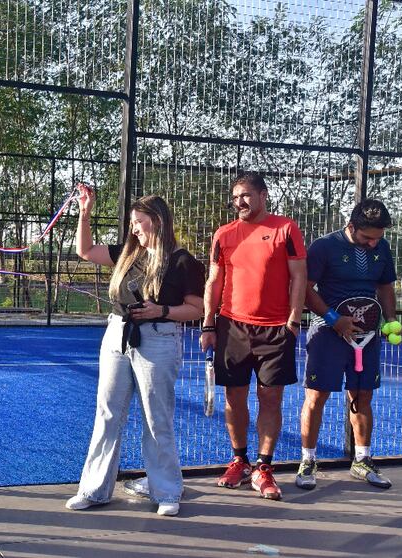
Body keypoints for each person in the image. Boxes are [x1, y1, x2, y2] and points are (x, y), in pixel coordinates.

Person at [64, 184, 204, 517]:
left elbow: (197, 309)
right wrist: (85, 211)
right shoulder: (128, 253)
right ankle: (94, 490)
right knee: (108, 414)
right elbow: (85, 251)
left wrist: (162, 312)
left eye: (138, 221)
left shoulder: (183, 262)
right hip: (117, 335)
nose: (134, 228)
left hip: (159, 338)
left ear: (157, 220)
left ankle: (167, 491)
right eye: (132, 222)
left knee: (157, 418)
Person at [200, 172, 307, 501]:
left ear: (263, 195)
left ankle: (264, 466)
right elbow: (214, 281)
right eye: (235, 198)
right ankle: (239, 460)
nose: (240, 202)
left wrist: (292, 321)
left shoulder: (286, 229)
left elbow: (300, 276)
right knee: (234, 398)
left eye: (246, 195)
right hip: (232, 327)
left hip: (276, 329)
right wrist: (208, 324)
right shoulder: (224, 234)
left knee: (271, 398)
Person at [296, 199, 396, 490]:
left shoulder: (382, 248)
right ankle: (308, 461)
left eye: (378, 238)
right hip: (328, 334)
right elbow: (304, 288)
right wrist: (333, 318)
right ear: (351, 226)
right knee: (317, 397)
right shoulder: (324, 247)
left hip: (367, 337)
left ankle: (362, 460)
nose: (374, 244)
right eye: (368, 238)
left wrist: (390, 319)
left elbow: (386, 286)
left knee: (363, 395)